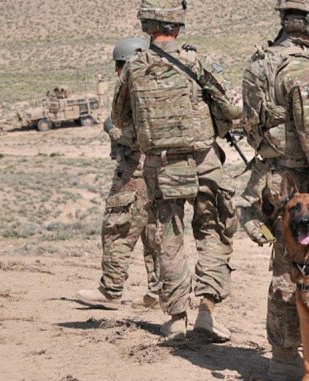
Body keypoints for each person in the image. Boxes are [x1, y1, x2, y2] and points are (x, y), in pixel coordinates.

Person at [237, 0, 309, 381]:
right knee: (292, 271)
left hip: (273, 179)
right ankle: (287, 359)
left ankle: (287, 353)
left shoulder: (263, 60)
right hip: (298, 184)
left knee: (285, 266)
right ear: (306, 21)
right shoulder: (302, 66)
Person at [110, 0, 242, 342]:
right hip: (203, 161)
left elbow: (121, 121)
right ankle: (207, 313)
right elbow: (231, 107)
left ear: (146, 25)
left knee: (169, 238)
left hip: (160, 165)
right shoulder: (198, 61)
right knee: (213, 232)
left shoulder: (133, 69)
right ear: (178, 26)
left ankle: (175, 318)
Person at [76, 38, 159, 311]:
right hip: (158, 172)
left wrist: (111, 128)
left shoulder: (132, 90)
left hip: (134, 171)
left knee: (117, 228)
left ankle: (110, 290)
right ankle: (159, 292)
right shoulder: (156, 87)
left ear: (121, 66)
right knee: (153, 233)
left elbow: (137, 137)